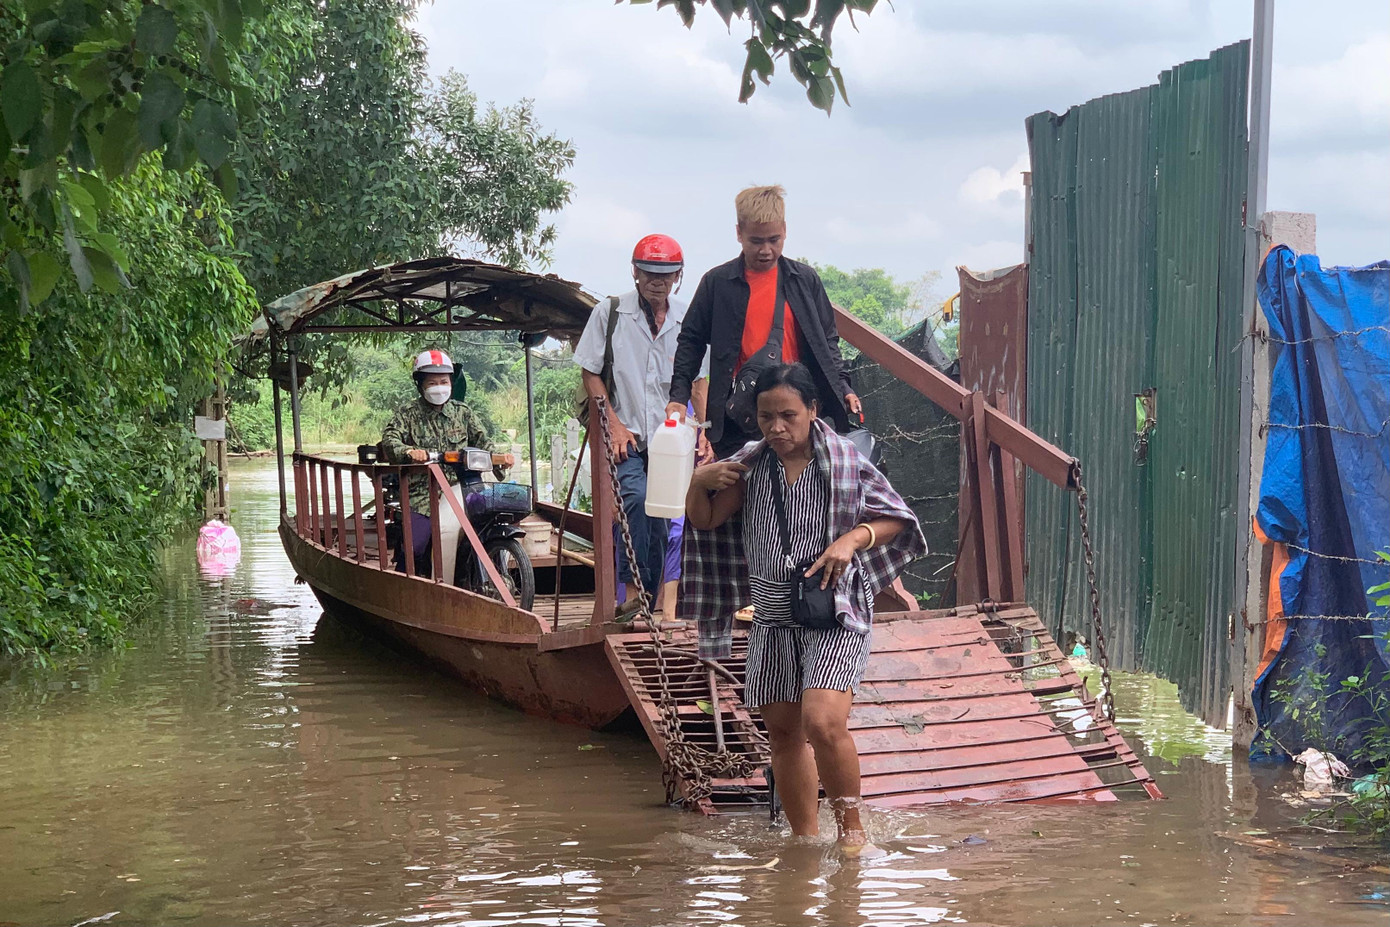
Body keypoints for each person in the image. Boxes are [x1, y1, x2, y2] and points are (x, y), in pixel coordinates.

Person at [683, 363, 924, 851]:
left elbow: (899, 518)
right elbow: (705, 520)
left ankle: (853, 836)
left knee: (823, 721)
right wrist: (697, 482)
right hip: (772, 615)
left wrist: (851, 541)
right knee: (784, 731)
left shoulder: (846, 463)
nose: (776, 427)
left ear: (812, 411)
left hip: (834, 608)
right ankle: (805, 843)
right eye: (766, 416)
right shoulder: (748, 467)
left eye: (788, 415)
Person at [667, 185, 862, 458]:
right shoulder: (717, 283)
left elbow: (827, 339)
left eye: (774, 239)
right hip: (741, 415)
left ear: (785, 230)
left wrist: (843, 386)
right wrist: (678, 397)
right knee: (740, 492)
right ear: (739, 233)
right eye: (756, 241)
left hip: (796, 411)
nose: (766, 250)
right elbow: (691, 341)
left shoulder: (804, 280)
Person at [575, 234, 710, 608]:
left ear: (678, 276)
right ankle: (634, 594)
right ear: (635, 272)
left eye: (666, 275)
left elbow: (699, 381)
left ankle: (650, 599)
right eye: (650, 273)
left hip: (673, 436)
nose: (657, 281)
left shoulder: (687, 318)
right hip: (629, 432)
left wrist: (702, 431)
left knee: (666, 510)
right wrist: (613, 424)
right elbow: (590, 372)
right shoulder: (611, 312)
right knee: (634, 499)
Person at [380, 349, 514, 575]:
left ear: (452, 382)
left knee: (484, 525)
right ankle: (407, 579)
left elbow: (482, 441)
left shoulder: (463, 413)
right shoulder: (407, 413)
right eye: (432, 382)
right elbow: (389, 440)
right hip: (422, 491)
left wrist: (500, 458)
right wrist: (409, 451)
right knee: (417, 544)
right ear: (420, 385)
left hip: (460, 486)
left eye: (444, 381)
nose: (439, 386)